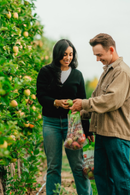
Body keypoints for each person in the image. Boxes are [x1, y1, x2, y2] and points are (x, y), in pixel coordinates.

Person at [70, 33, 130, 195]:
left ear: (111, 50)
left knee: (122, 179)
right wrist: (78, 111)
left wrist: (83, 103)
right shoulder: (107, 72)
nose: (97, 59)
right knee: (101, 175)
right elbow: (96, 99)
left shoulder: (122, 73)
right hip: (103, 133)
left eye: (99, 55)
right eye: (95, 55)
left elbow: (111, 100)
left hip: (116, 135)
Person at [36, 39, 93, 195]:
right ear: (57, 54)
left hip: (72, 124)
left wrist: (87, 131)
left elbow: (83, 104)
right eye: (64, 54)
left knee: (78, 165)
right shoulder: (46, 72)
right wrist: (56, 103)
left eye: (71, 54)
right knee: (53, 166)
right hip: (51, 124)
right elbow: (41, 96)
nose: (68, 58)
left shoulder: (77, 75)